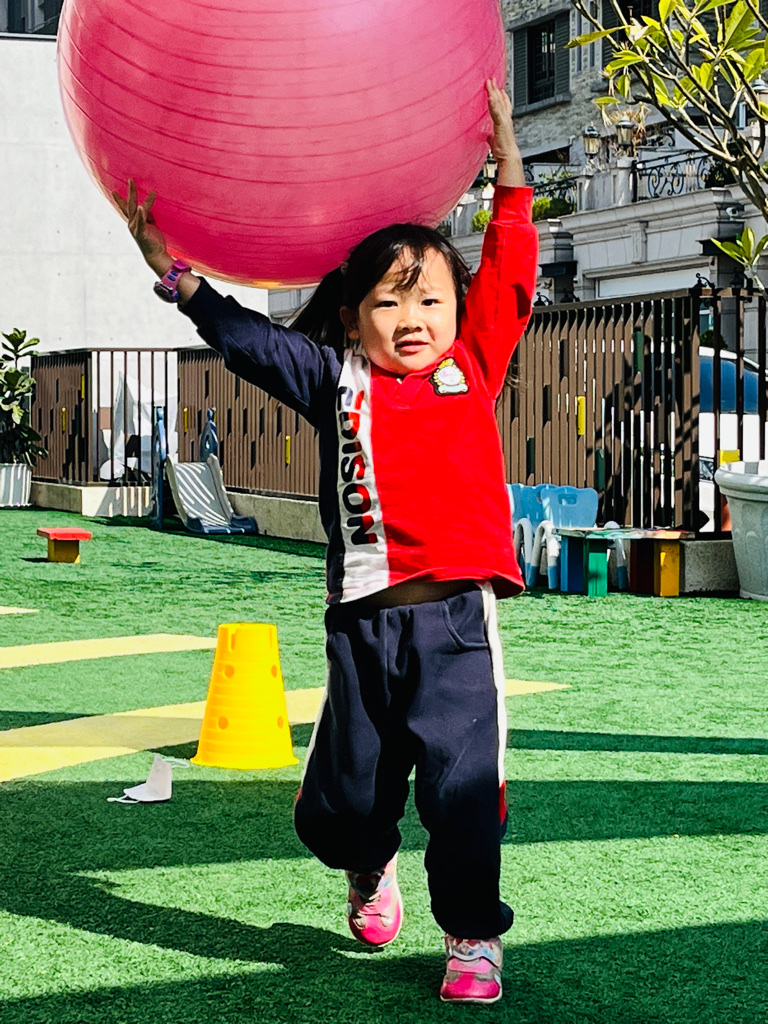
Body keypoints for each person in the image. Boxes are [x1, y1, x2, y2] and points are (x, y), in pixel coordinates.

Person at [114, 78, 538, 1006]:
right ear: (352, 316)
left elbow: (510, 266)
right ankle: (365, 862)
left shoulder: (473, 365)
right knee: (350, 799)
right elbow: (244, 340)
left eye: (429, 301)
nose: (411, 321)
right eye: (388, 303)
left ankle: (472, 935)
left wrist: (509, 162)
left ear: (457, 312)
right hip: (361, 626)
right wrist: (178, 277)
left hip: (457, 626)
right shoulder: (332, 377)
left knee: (466, 793)